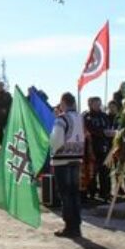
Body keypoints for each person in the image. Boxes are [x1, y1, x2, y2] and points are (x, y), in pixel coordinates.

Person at [51, 92, 85, 238]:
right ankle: (76, 225)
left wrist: (50, 144)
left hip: (62, 160)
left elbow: (56, 140)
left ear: (63, 102)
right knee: (74, 193)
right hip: (76, 158)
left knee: (65, 194)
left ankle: (69, 226)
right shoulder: (80, 118)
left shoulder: (61, 119)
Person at [82, 97, 113, 201]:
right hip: (92, 148)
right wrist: (103, 132)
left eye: (99, 104)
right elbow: (89, 129)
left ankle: (105, 193)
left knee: (105, 171)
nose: (98, 106)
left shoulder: (104, 116)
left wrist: (110, 134)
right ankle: (92, 192)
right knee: (92, 172)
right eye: (96, 104)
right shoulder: (87, 116)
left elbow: (108, 127)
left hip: (104, 147)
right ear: (90, 104)